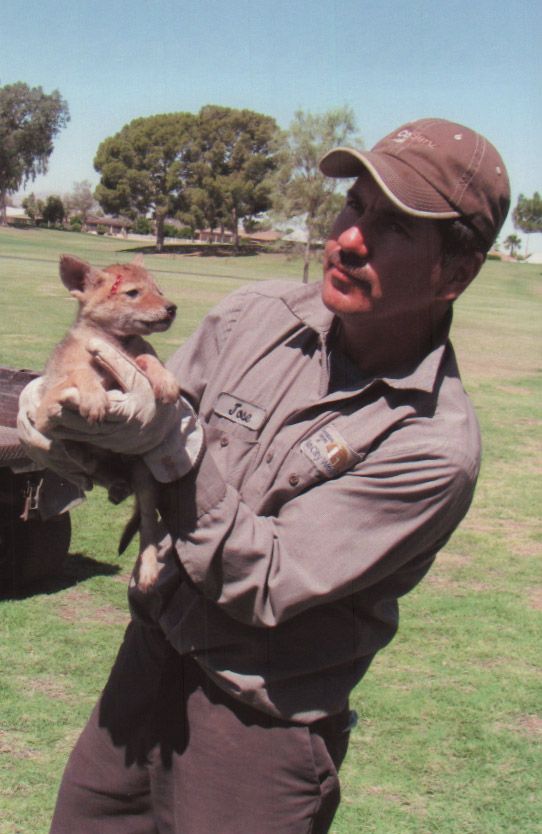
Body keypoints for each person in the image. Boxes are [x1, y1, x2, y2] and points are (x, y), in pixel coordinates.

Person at [18, 117, 510, 834]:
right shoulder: (257, 315)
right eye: (355, 204)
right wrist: (64, 420)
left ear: (455, 274)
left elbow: (262, 579)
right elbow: (136, 440)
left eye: (396, 227)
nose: (348, 237)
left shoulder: (433, 445)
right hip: (144, 671)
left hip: (257, 729)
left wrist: (173, 444)